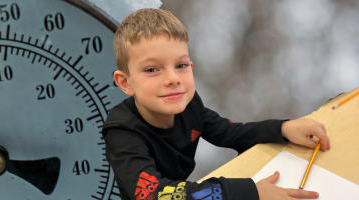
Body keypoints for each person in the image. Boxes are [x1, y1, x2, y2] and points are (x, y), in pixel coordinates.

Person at [103, 9, 331, 200]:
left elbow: (229, 132)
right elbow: (155, 195)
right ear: (125, 83)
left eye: (180, 65)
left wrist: (282, 129)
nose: (173, 79)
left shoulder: (189, 105)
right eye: (152, 69)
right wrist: (250, 192)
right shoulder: (122, 133)